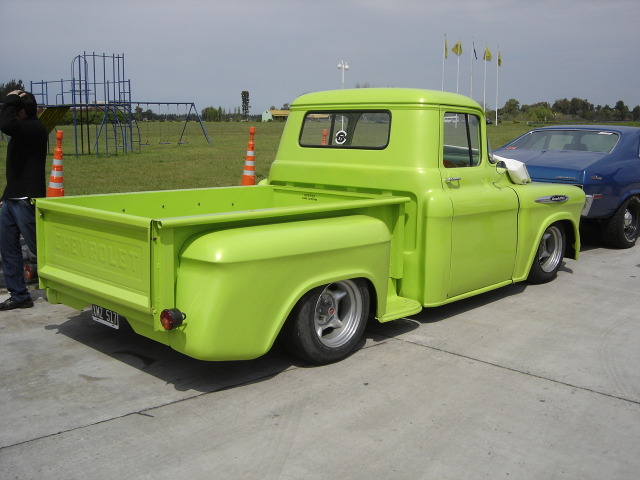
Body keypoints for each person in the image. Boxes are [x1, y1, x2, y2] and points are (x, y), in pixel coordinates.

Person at [0, 90, 48, 310]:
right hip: (11, 199)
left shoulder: (35, 128)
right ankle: (19, 295)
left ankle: (67, 282)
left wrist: (10, 99)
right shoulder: (23, 131)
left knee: (41, 248)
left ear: (21, 110)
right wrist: (5, 196)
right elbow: (16, 168)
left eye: (14, 109)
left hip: (26, 199)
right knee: (8, 249)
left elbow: (6, 125)